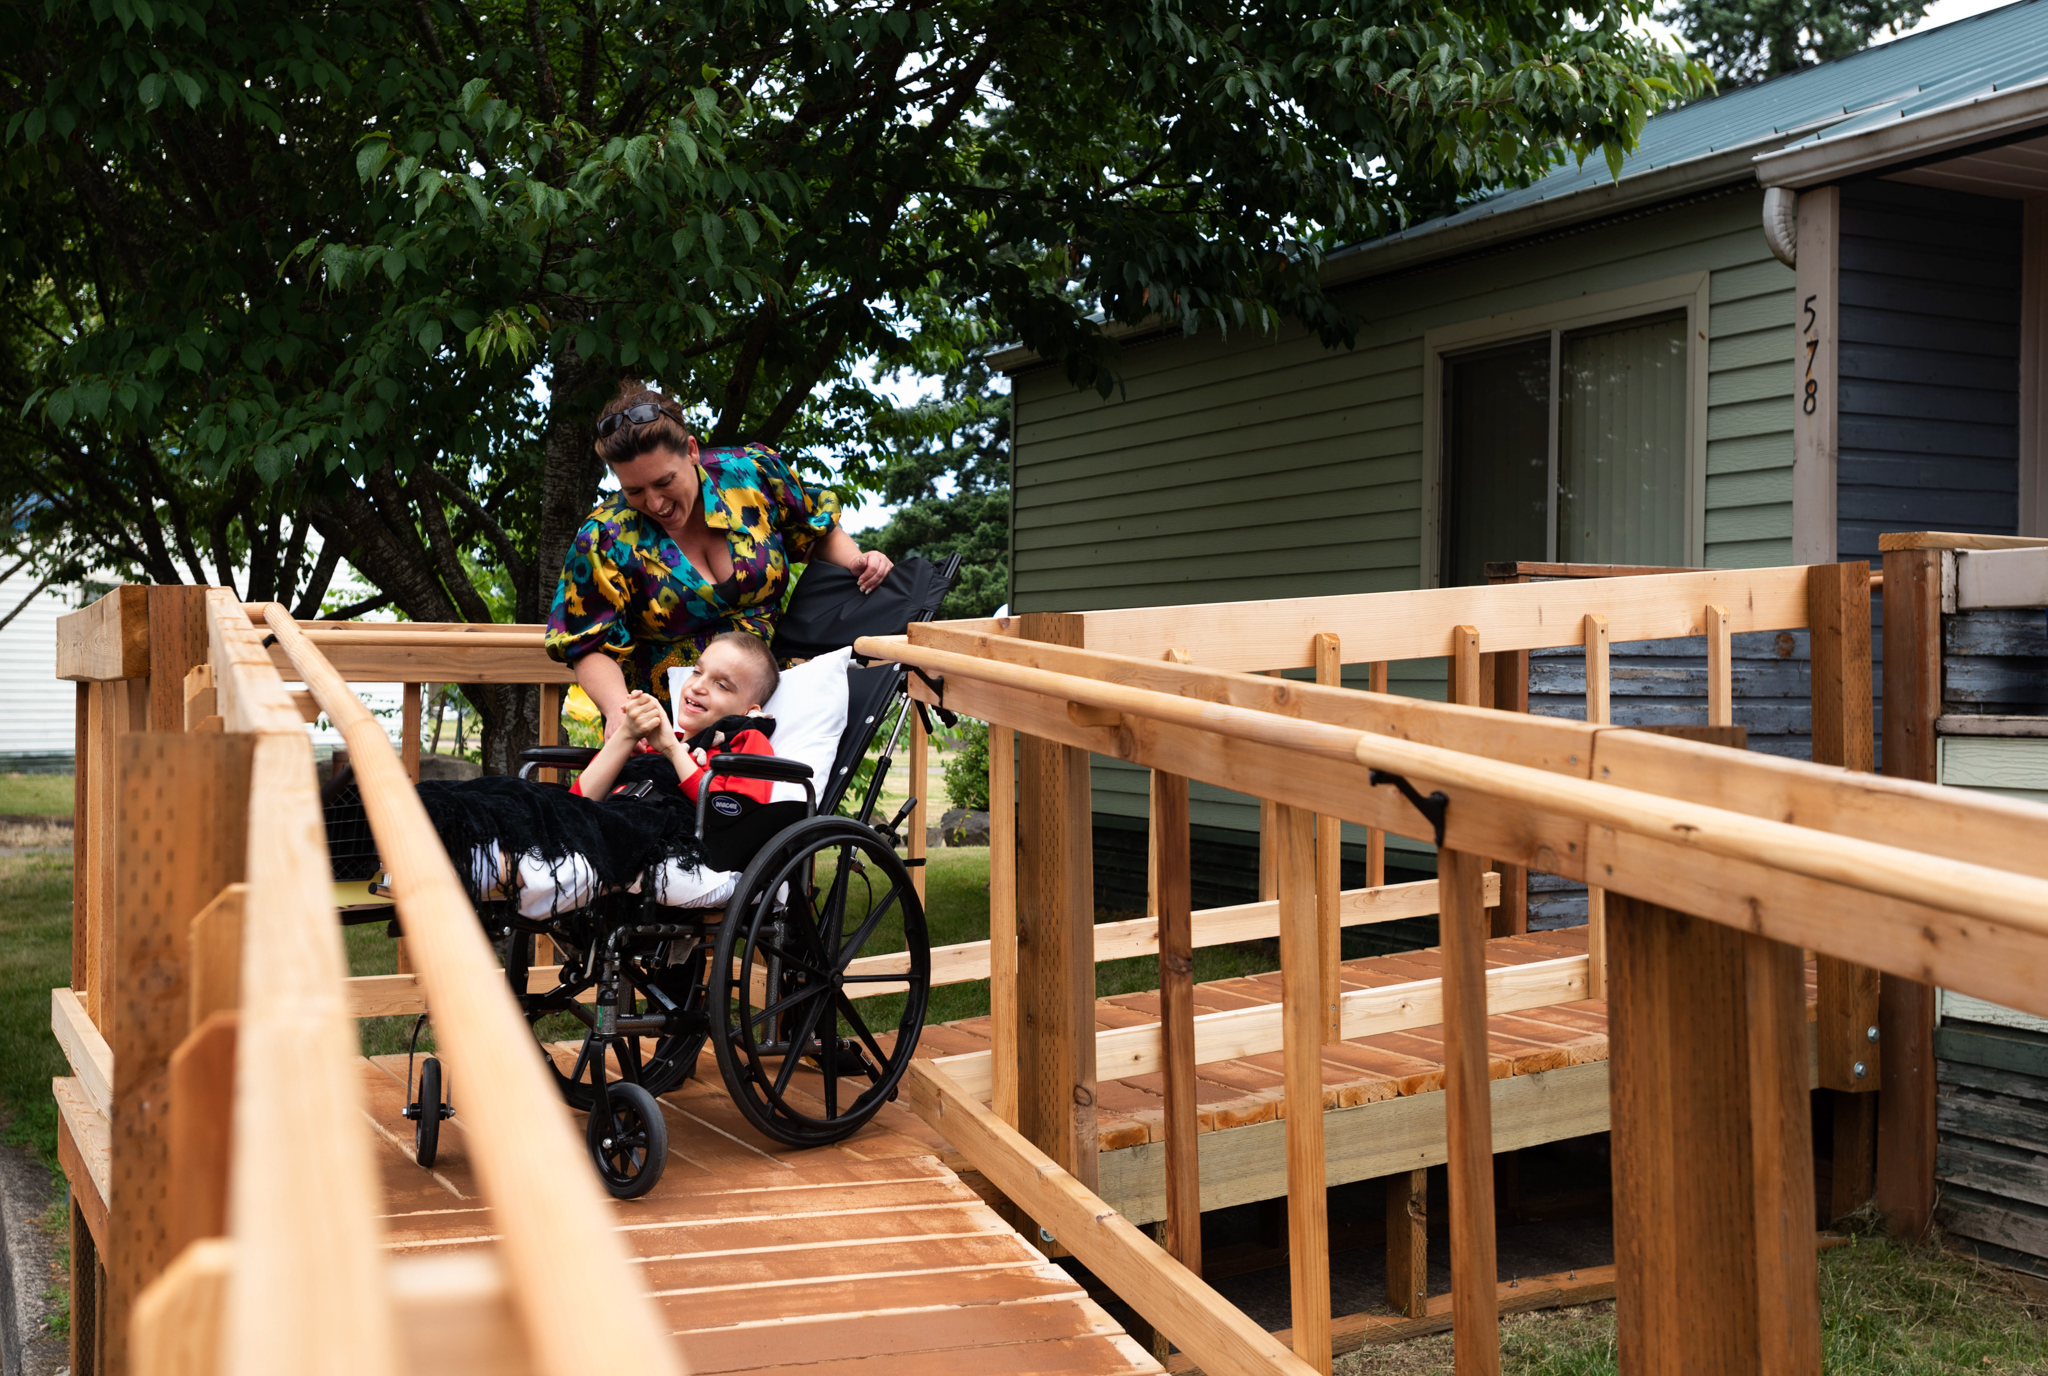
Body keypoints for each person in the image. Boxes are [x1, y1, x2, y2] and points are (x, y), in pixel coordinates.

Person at [546, 381, 891, 731]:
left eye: (665, 481)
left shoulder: (753, 474)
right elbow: (590, 644)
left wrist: (857, 562)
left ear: (692, 451)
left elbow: (811, 534)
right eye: (633, 490)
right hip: (669, 727)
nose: (655, 503)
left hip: (780, 704)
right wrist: (620, 713)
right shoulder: (604, 536)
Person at [570, 630, 781, 805]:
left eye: (721, 685)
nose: (697, 687)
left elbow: (733, 813)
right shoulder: (650, 742)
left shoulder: (744, 743)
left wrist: (672, 749)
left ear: (748, 710)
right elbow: (575, 803)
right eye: (697, 672)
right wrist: (627, 733)